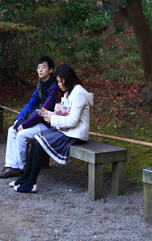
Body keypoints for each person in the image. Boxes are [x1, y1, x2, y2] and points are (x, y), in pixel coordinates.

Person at [11, 64, 93, 193]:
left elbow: (73, 120)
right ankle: (25, 177)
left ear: (68, 79)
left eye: (61, 81)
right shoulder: (69, 93)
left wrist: (52, 119)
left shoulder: (78, 93)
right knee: (35, 139)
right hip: (67, 131)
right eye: (58, 82)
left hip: (75, 135)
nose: (59, 84)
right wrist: (48, 113)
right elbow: (65, 114)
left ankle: (31, 182)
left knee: (39, 140)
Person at [0, 56, 58, 179]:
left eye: (44, 67)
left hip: (49, 123)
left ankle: (22, 168)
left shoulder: (54, 87)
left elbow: (43, 110)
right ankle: (11, 165)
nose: (40, 70)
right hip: (37, 120)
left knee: (21, 134)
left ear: (50, 70)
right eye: (38, 67)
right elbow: (32, 102)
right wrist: (19, 117)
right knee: (11, 130)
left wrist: (24, 125)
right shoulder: (41, 84)